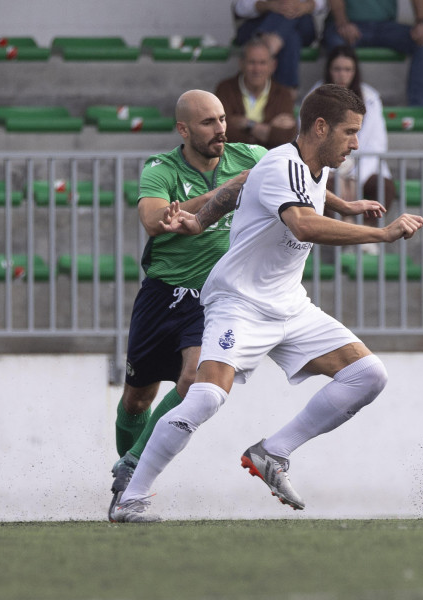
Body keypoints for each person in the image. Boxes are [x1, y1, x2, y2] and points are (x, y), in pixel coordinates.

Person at [109, 84, 423, 522]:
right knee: (203, 398)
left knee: (368, 374)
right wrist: (381, 234)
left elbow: (240, 188)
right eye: (350, 132)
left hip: (289, 305)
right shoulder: (283, 163)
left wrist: (201, 218)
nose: (356, 143)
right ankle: (132, 497)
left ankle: (273, 452)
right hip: (238, 303)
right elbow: (302, 224)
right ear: (320, 127)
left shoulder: (300, 166)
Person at [108, 89, 266, 518]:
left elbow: (296, 183)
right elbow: (154, 221)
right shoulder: (160, 169)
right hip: (162, 295)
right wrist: (230, 190)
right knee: (137, 400)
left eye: (221, 119)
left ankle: (133, 469)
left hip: (214, 296)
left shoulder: (251, 155)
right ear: (183, 129)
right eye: (208, 123)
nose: (220, 129)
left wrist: (347, 207)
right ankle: (126, 489)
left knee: (194, 378)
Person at [308, 44, 394, 226]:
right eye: (337, 69)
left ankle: (366, 236)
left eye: (348, 69)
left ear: (355, 71)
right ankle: (343, 234)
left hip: (363, 166)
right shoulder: (315, 96)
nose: (342, 75)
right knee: (322, 189)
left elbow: (376, 146)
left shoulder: (370, 97)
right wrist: (337, 174)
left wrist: (355, 177)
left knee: (383, 187)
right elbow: (310, 141)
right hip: (327, 166)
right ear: (329, 70)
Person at [322, 0, 423, 108]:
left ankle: (418, 108)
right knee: (336, 44)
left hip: (386, 26)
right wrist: (343, 23)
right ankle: (337, 106)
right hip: (349, 25)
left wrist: (421, 22)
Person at [215, 37, 297, 149]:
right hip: (234, 161)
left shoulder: (283, 94)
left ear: (273, 65)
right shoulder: (225, 89)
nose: (257, 69)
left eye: (262, 63)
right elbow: (222, 132)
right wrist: (268, 129)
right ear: (241, 64)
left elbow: (285, 136)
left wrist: (248, 125)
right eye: (252, 62)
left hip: (270, 162)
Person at [231, 0, 326, 95]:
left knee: (290, 11)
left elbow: (323, 4)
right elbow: (241, 8)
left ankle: (268, 41)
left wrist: (305, 6)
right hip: (258, 24)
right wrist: (269, 5)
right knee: (291, 37)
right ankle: (287, 93)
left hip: (301, 22)